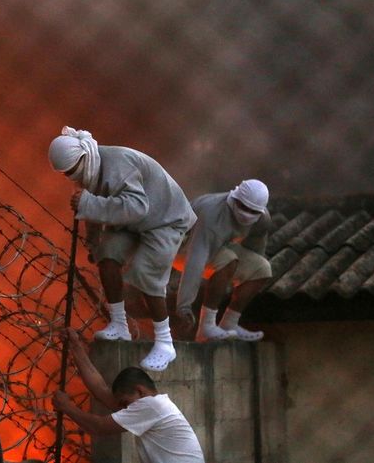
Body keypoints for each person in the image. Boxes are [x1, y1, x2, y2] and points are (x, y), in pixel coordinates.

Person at [48, 126, 196, 371]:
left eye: (72, 171)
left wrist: (88, 203)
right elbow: (93, 209)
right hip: (134, 223)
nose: (71, 177)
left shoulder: (118, 164)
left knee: (145, 272)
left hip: (166, 219)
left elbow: (137, 207)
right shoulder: (90, 170)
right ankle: (119, 325)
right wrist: (93, 243)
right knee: (107, 254)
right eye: (66, 174)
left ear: (84, 156)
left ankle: (165, 342)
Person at [52, 329, 204, 463]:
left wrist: (67, 407)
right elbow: (101, 390)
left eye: (126, 403)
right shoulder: (153, 405)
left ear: (140, 391)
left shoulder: (152, 406)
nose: (124, 408)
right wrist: (75, 346)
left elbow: (99, 427)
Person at [175, 179, 272, 342]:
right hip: (181, 246)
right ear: (234, 199)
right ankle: (206, 327)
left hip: (220, 245)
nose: (247, 214)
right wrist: (184, 305)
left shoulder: (263, 220)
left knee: (262, 268)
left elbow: (255, 252)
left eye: (253, 211)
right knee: (228, 260)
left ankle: (230, 323)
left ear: (261, 211)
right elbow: (195, 258)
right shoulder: (211, 212)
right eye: (243, 207)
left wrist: (245, 278)